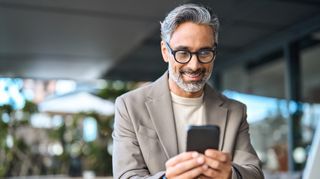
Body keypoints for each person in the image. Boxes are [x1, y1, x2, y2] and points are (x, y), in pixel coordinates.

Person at [112, 3, 264, 179]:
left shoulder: (236, 112)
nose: (195, 65)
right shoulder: (130, 106)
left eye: (205, 52)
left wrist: (230, 175)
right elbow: (126, 176)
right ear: (165, 51)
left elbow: (255, 174)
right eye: (183, 53)